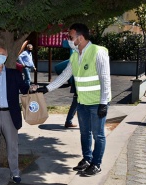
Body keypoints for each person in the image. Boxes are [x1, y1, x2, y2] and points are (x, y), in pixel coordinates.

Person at [36, 23, 111, 176]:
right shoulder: (75, 55)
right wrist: (47, 88)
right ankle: (87, 159)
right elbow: (65, 75)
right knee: (84, 133)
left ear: (81, 38)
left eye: (70, 37)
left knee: (98, 134)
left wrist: (104, 102)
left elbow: (105, 79)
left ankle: (96, 164)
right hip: (82, 102)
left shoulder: (98, 52)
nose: (68, 39)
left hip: (97, 103)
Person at [0, 46, 32, 184]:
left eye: (3, 54)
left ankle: (14, 172)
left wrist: (31, 88)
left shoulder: (14, 74)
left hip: (10, 114)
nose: (0, 56)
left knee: (12, 145)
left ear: (7, 55)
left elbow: (24, 89)